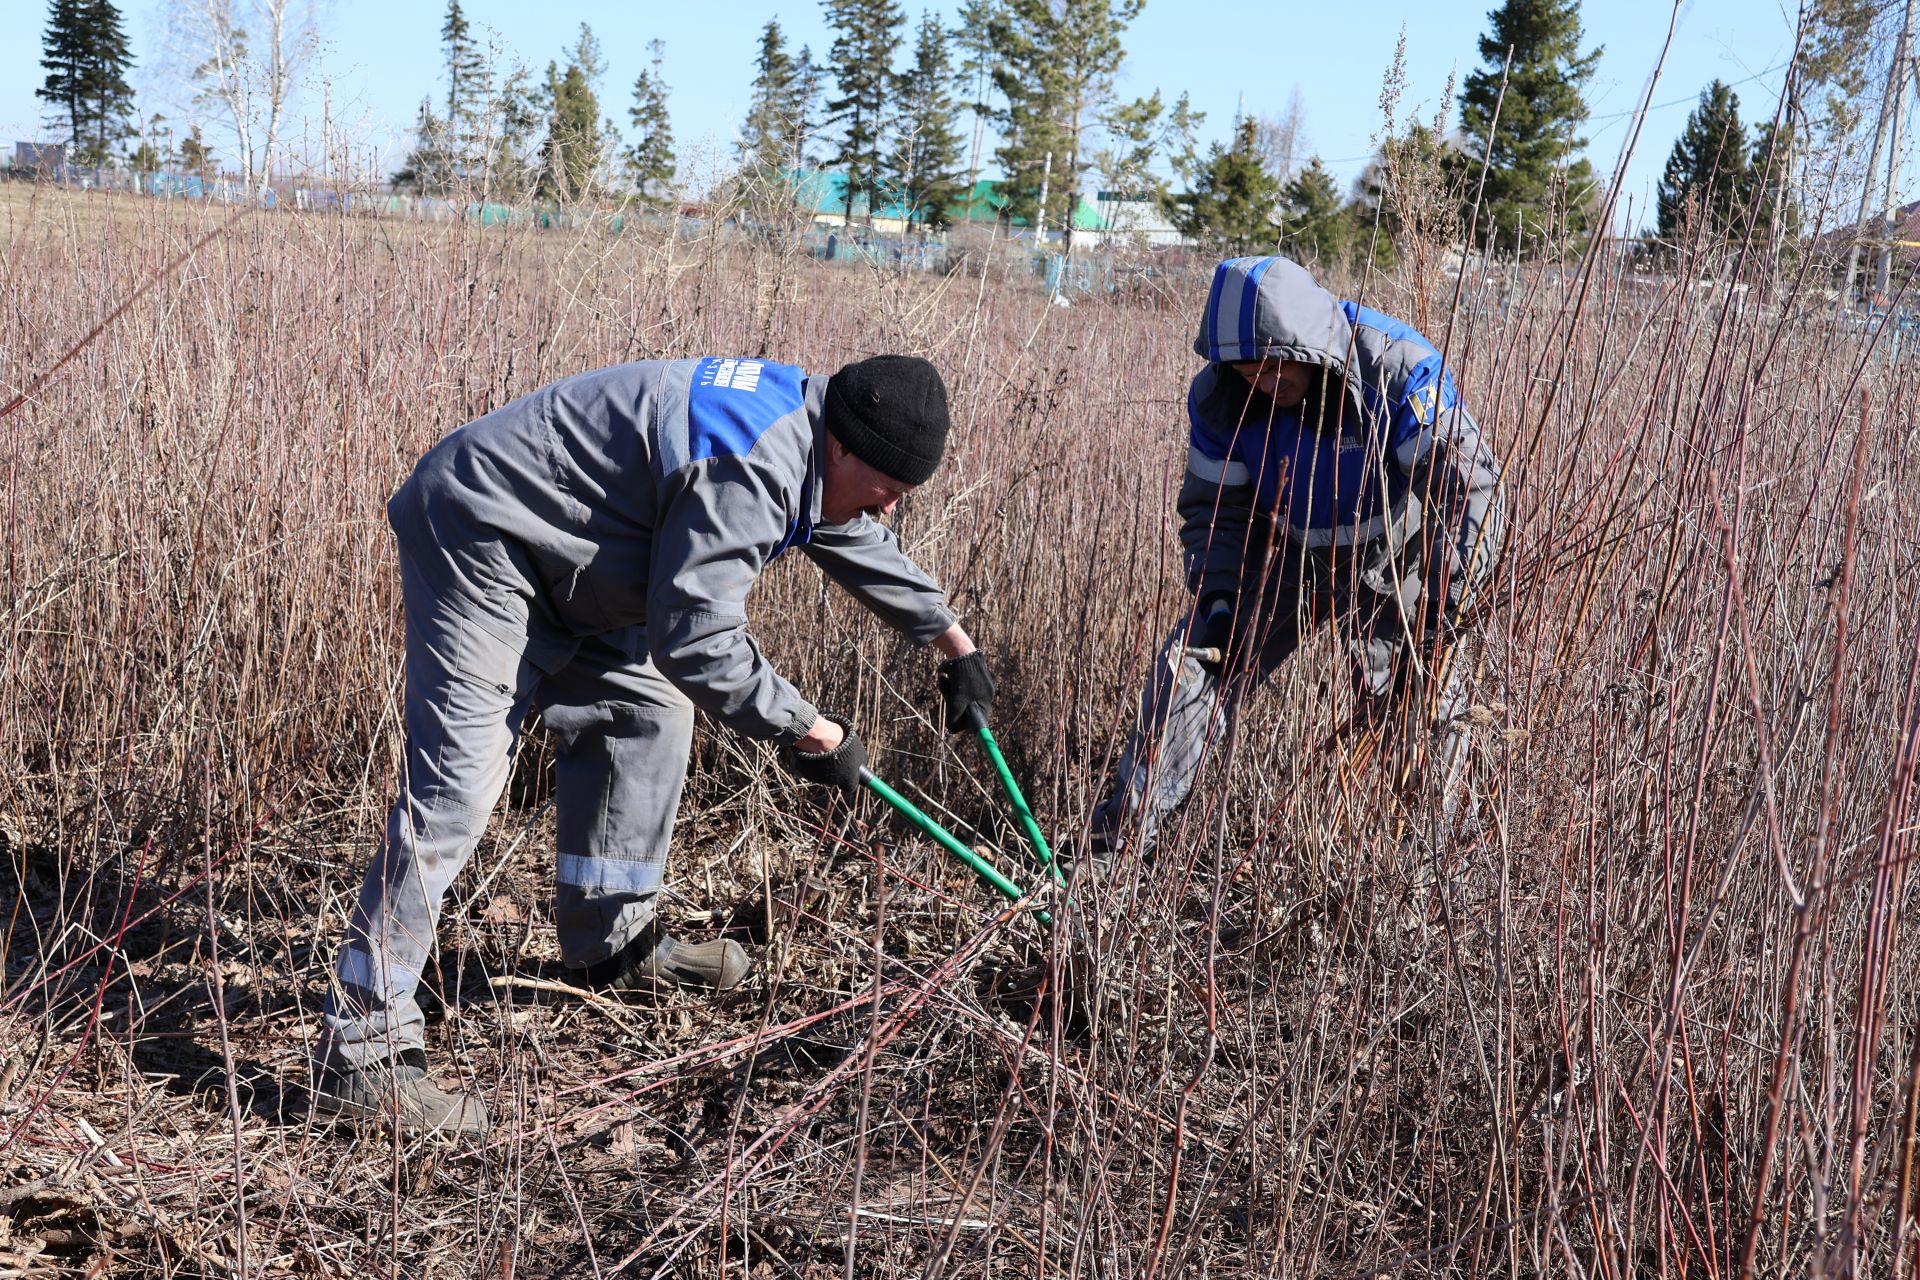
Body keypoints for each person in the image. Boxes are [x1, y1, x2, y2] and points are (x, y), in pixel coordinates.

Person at [312, 354, 995, 1136]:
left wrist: (954, 644)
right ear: (841, 450)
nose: (890, 510)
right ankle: (360, 1051)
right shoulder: (751, 461)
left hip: (582, 559)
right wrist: (812, 731)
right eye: (887, 491)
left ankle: (611, 947)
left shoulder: (813, 425)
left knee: (648, 710)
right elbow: (699, 642)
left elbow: (842, 532)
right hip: (486, 537)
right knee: (456, 793)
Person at [1089, 255, 1504, 861]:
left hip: (1399, 557)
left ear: (1312, 345)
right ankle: (1115, 848)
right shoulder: (1217, 399)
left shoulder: (1398, 368)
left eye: (1279, 363)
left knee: (1428, 702)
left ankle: (1427, 866)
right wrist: (1221, 597)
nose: (1265, 378)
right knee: (1195, 666)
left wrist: (1447, 597)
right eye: (1249, 366)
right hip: (1283, 554)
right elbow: (1216, 513)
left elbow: (1470, 485)